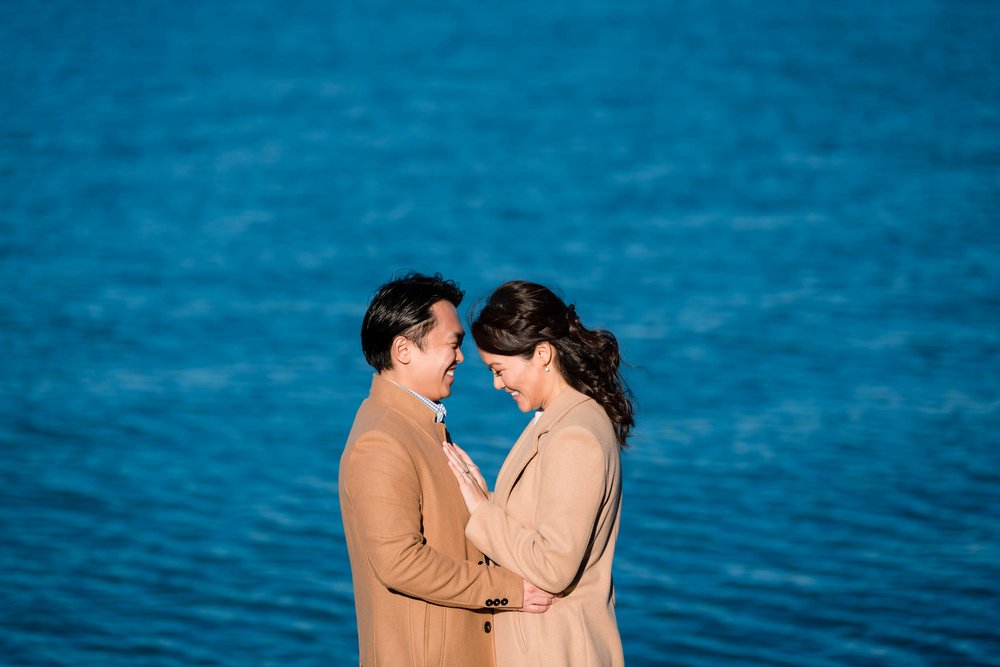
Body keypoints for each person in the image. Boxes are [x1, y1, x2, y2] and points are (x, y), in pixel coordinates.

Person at [339, 272, 555, 667]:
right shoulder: (381, 440)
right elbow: (401, 563)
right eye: (453, 344)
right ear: (404, 350)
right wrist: (511, 589)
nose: (461, 356)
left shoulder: (418, 425)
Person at [443, 280, 634, 666]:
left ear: (543, 354)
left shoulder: (574, 435)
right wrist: (489, 498)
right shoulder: (556, 420)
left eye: (500, 369)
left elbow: (553, 566)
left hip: (558, 650)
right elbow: (541, 522)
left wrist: (483, 512)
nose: (497, 384)